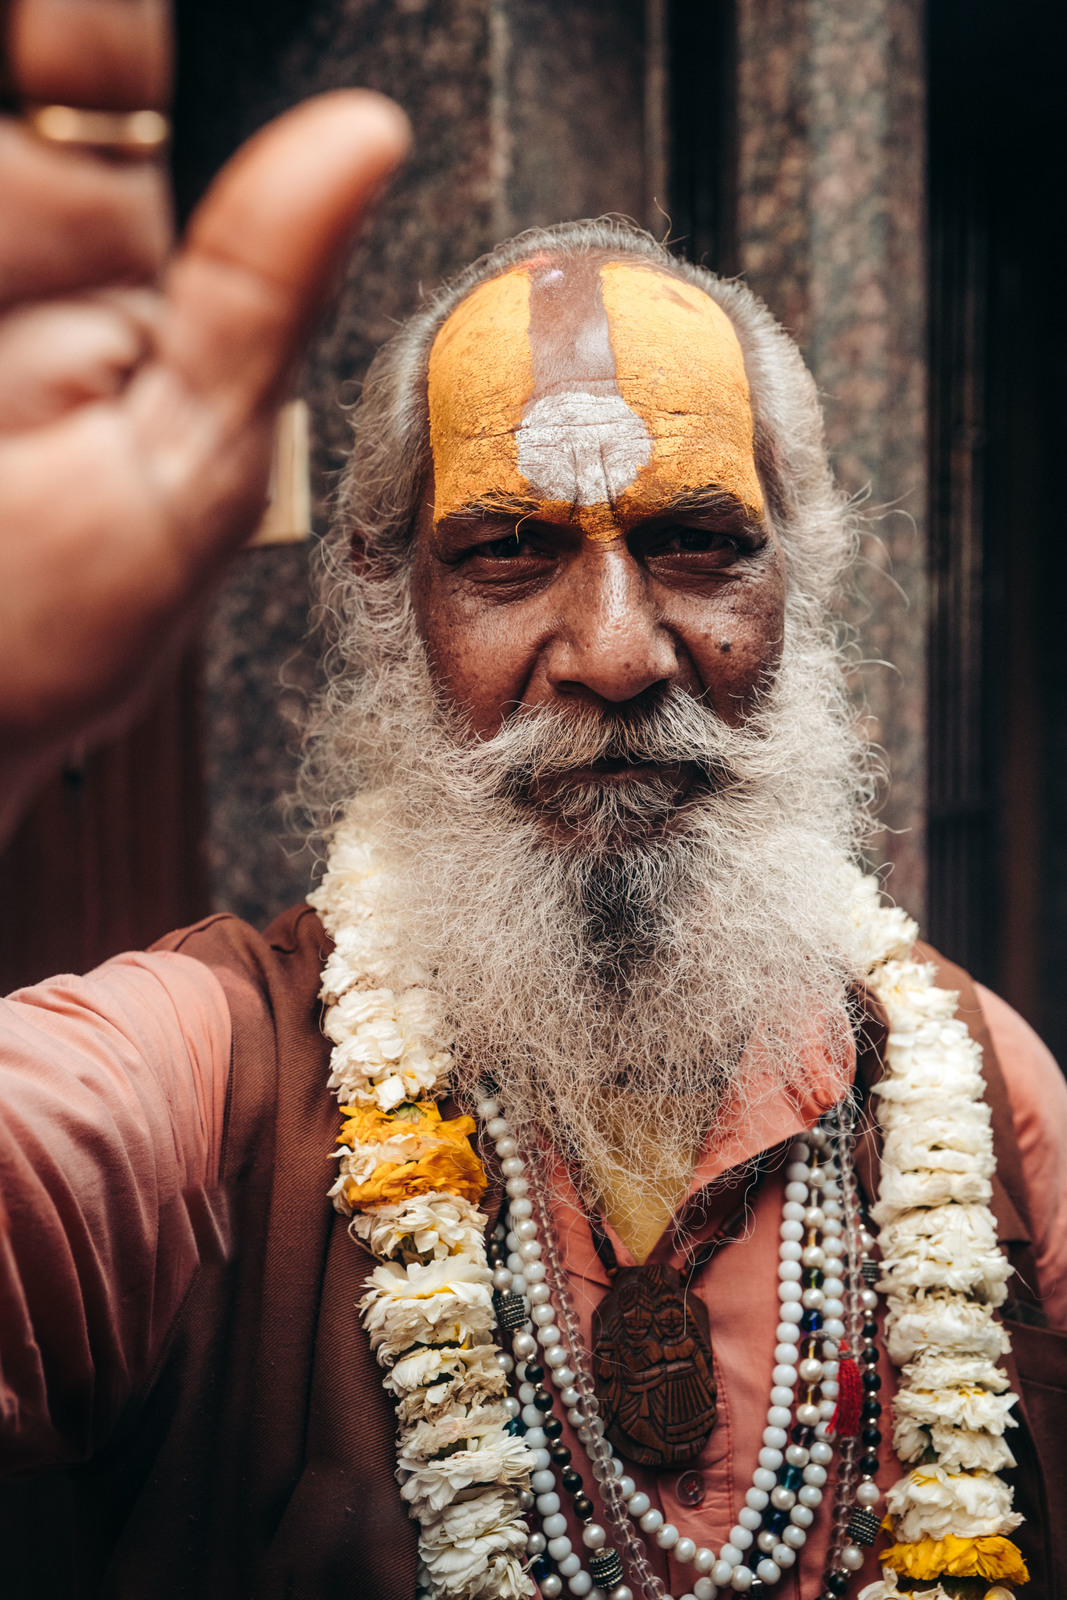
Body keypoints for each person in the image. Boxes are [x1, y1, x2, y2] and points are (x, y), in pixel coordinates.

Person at [0, 9, 1065, 1600]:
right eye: (508, 552)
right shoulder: (194, 1090)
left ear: (808, 582)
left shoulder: (974, 1091)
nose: (622, 655)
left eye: (701, 540)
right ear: (388, 608)